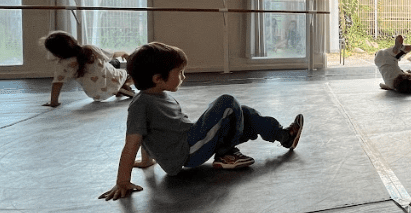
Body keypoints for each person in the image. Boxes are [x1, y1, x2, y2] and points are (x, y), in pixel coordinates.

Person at [99, 42, 305, 201]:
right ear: (157, 78)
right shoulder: (140, 104)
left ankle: (284, 137)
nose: (183, 77)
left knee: (244, 112)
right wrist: (122, 181)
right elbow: (133, 141)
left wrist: (147, 160)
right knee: (227, 102)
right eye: (179, 73)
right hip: (188, 151)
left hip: (194, 142)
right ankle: (226, 154)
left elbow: (149, 134)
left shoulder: (157, 96)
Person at [41, 30, 135, 107]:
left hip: (95, 94)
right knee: (121, 69)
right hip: (112, 79)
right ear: (73, 41)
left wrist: (53, 102)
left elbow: (57, 83)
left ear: (56, 53)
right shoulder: (89, 49)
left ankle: (117, 89)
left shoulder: (62, 64)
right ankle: (121, 85)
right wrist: (124, 53)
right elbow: (111, 55)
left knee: (110, 66)